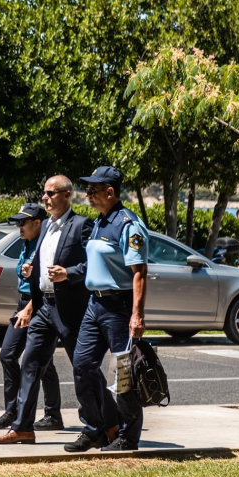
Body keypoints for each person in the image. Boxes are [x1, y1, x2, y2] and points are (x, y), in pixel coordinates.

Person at [0, 176, 94, 444]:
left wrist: (69, 273)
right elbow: (40, 260)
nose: (45, 198)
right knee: (30, 363)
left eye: (51, 193)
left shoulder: (82, 225)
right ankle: (23, 427)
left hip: (69, 308)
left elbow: (92, 265)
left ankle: (107, 421)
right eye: (44, 193)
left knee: (84, 367)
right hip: (42, 306)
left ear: (67, 195)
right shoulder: (46, 225)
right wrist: (31, 271)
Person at [66, 165, 149, 452]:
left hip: (119, 307)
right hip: (95, 304)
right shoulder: (100, 221)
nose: (87, 194)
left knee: (124, 374)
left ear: (109, 191)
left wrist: (137, 314)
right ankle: (95, 429)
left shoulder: (128, 224)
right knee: (82, 366)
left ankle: (128, 436)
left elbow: (139, 272)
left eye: (92, 189)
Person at [0, 203, 61, 432]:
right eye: (18, 222)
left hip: (39, 305)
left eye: (23, 222)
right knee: (10, 355)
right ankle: (14, 411)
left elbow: (47, 284)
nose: (19, 226)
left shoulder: (45, 245)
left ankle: (52, 414)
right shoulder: (26, 243)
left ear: (37, 223)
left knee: (41, 362)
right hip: (23, 303)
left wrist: (29, 308)